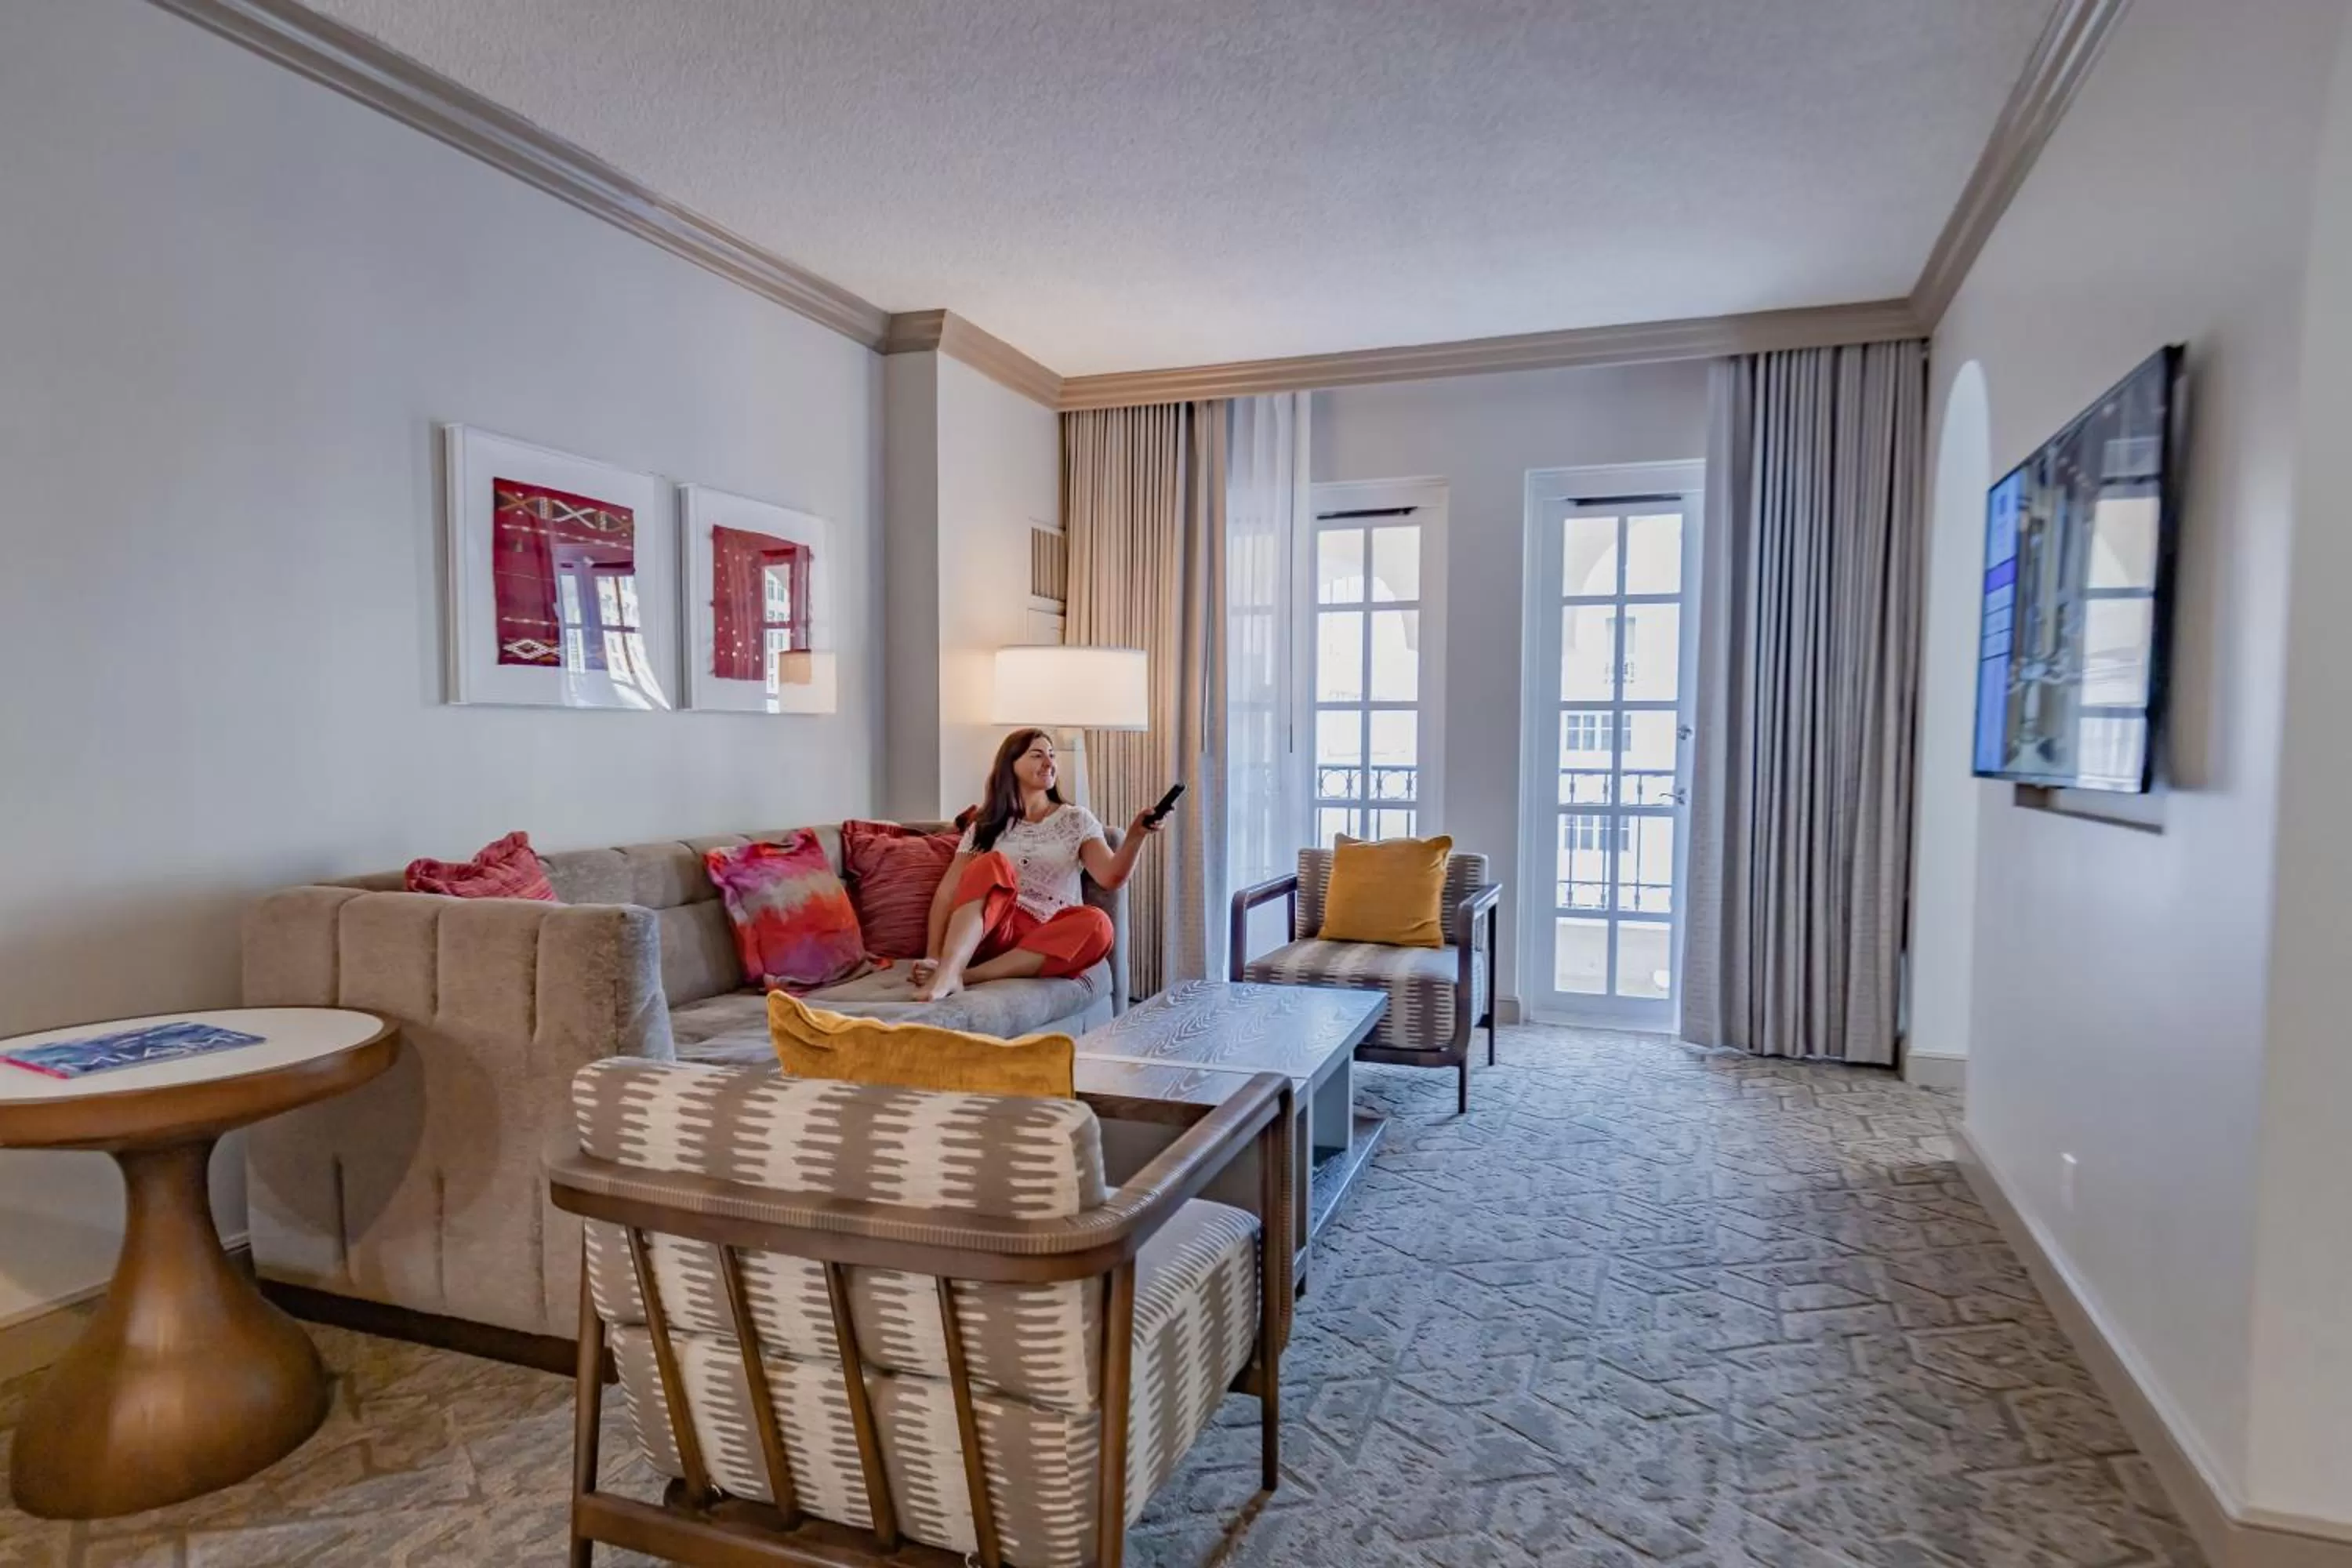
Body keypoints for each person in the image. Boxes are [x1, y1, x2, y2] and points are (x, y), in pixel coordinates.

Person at [913, 727, 1160, 1002]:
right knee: (991, 863)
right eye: (1037, 755)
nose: (1049, 763)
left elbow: (1111, 877)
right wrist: (933, 955)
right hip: (993, 931)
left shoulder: (1076, 820)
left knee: (1098, 924)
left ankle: (963, 976)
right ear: (1011, 764)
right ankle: (949, 969)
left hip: (1046, 937)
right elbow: (948, 893)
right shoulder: (985, 826)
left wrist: (1136, 835)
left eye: (1052, 755)